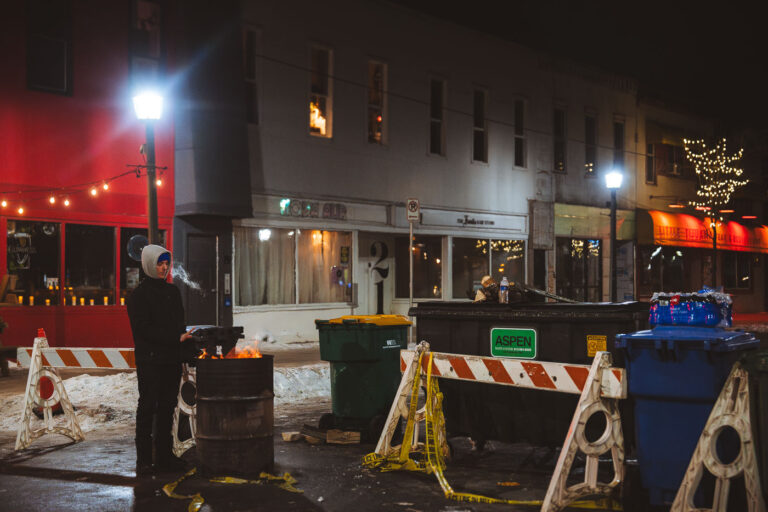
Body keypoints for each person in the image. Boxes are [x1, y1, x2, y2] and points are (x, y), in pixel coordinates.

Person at [127, 244, 192, 476]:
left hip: (170, 361)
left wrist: (183, 344)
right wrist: (176, 337)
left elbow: (179, 325)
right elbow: (144, 330)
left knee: (167, 409)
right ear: (148, 265)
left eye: (166, 263)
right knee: (147, 408)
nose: (164, 268)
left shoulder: (172, 292)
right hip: (151, 362)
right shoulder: (138, 297)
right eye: (159, 263)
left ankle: (164, 457)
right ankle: (144, 459)